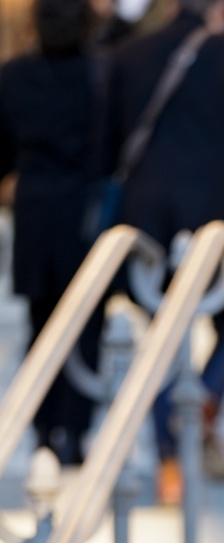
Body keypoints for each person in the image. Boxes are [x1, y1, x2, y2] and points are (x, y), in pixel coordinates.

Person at [99, 0, 224, 501]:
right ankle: (198, 415)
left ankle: (171, 449)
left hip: (147, 223)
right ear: (222, 7)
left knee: (162, 338)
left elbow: (108, 147)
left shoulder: (130, 56)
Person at [0, 0, 100, 466]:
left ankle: (44, 432)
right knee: (85, 326)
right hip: (83, 209)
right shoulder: (99, 77)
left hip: (37, 207)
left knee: (42, 327)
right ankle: (75, 432)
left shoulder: (15, 78)